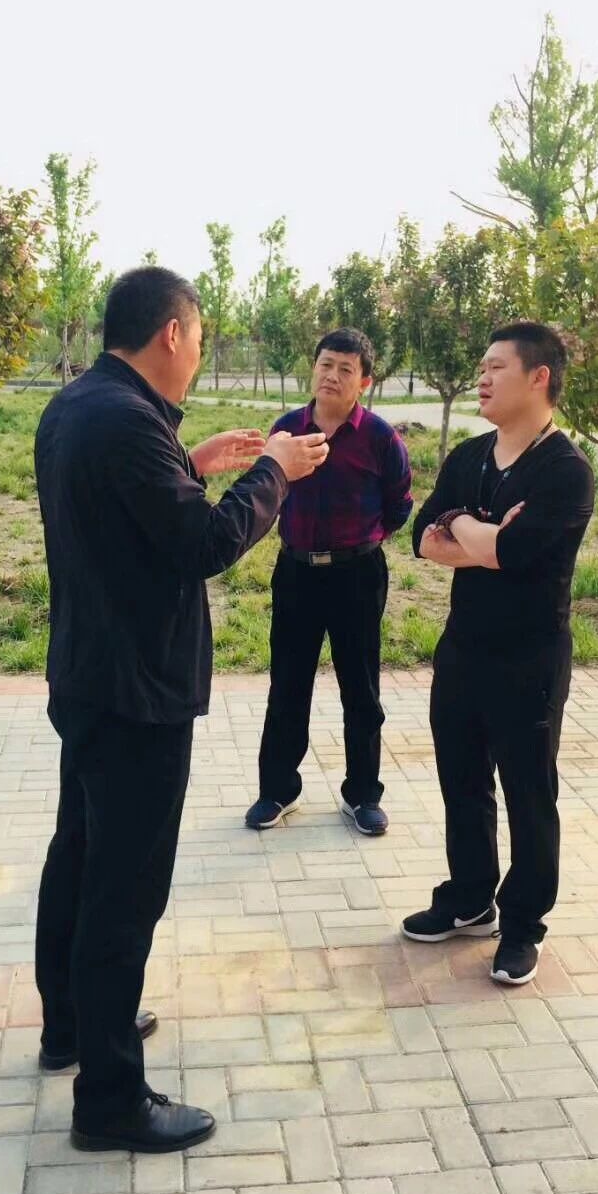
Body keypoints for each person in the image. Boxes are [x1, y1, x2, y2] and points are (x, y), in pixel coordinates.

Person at [33, 266, 327, 1155]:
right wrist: (273, 471)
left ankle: (73, 1024)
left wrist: (190, 465)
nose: (199, 354)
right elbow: (204, 542)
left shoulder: (78, 405)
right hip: (136, 691)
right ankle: (110, 1100)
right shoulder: (127, 420)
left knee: (80, 855)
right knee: (123, 892)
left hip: (89, 676)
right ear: (171, 333)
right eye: (199, 338)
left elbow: (125, 514)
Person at [403, 321, 594, 986]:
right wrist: (473, 531)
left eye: (496, 367)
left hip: (530, 660)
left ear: (539, 377)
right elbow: (421, 537)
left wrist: (466, 530)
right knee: (462, 782)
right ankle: (469, 898)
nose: (481, 378)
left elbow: (512, 552)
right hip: (462, 650)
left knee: (528, 794)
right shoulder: (469, 456)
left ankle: (523, 925)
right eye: (481, 367)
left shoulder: (565, 472)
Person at [246, 328, 412, 837]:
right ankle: (277, 791)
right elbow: (267, 489)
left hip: (357, 576)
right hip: (296, 572)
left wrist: (364, 540)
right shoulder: (286, 431)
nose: (332, 376)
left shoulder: (380, 438)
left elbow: (400, 504)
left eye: (345, 369)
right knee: (287, 685)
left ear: (365, 381)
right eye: (325, 364)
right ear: (313, 368)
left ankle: (363, 795)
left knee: (360, 689)